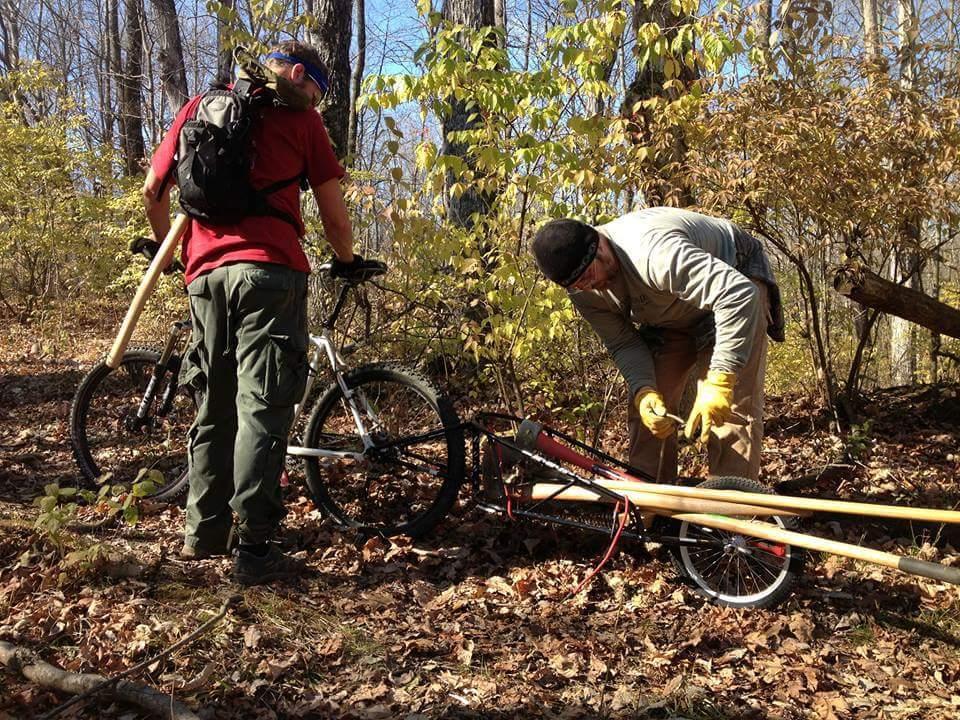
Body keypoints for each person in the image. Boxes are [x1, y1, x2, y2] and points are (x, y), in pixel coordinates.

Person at [142, 41, 370, 584]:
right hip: (270, 272)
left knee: (213, 402)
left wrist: (169, 257)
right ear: (298, 76)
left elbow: (153, 190)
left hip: (204, 276)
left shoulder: (199, 106)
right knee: (263, 405)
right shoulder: (301, 122)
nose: (318, 97)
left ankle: (205, 532)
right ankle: (256, 548)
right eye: (319, 86)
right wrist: (348, 259)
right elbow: (334, 215)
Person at [531, 207, 784, 484]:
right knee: (649, 409)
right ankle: (650, 504)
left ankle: (730, 513)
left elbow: (738, 295)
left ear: (599, 244)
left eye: (589, 275)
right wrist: (644, 390)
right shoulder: (584, 292)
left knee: (728, 411)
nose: (591, 287)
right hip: (670, 308)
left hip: (734, 279)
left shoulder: (652, 253)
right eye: (579, 285)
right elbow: (623, 343)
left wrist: (721, 379)